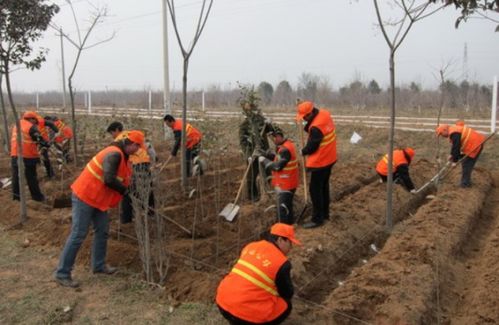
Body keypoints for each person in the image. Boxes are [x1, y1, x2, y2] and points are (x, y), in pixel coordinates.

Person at [54, 130, 144, 288]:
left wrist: (133, 189)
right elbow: (109, 179)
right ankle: (62, 273)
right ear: (131, 144)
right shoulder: (114, 154)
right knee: (78, 234)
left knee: (102, 231)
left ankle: (98, 265)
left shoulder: (123, 155)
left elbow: (122, 178)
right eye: (138, 147)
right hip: (85, 197)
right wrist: (125, 192)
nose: (138, 150)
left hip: (98, 200)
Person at [216, 223, 301, 325]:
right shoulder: (281, 262)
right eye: (290, 243)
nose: (291, 247)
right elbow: (287, 293)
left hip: (222, 302)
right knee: (286, 305)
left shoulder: (251, 246)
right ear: (280, 240)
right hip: (246, 315)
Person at [296, 101, 337, 229]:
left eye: (304, 117)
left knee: (315, 189)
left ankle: (317, 219)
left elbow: (312, 146)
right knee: (323, 187)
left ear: (310, 114)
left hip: (321, 161)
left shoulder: (316, 128)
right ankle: (325, 214)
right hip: (331, 157)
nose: (303, 119)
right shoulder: (324, 114)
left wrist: (302, 151)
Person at [114, 129, 157, 224]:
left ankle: (126, 219)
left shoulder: (119, 140)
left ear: (116, 131)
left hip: (133, 164)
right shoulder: (136, 134)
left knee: (128, 191)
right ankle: (151, 213)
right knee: (147, 189)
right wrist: (153, 162)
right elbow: (149, 149)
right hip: (144, 164)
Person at [258, 126, 299, 224]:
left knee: (282, 209)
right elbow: (279, 159)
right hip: (288, 182)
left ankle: (282, 234)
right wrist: (267, 155)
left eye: (273, 138)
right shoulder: (286, 145)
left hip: (286, 184)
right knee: (287, 207)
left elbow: (277, 167)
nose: (273, 141)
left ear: (279, 136)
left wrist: (263, 160)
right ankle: (289, 227)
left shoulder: (285, 149)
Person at [238, 86, 272, 201]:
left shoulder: (260, 120)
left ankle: (268, 193)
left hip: (264, 151)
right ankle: (253, 197)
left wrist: (269, 124)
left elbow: (270, 131)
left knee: (268, 173)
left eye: (252, 108)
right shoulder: (244, 125)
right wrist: (247, 155)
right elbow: (243, 142)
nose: (250, 111)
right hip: (252, 153)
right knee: (251, 176)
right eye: (248, 110)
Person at [10, 111, 50, 202]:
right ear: (31, 119)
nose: (35, 123)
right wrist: (46, 144)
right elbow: (40, 139)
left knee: (16, 177)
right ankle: (37, 197)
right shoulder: (31, 127)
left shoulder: (17, 125)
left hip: (15, 154)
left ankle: (16, 198)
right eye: (35, 121)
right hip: (27, 156)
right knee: (31, 177)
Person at [436, 123, 485, 188]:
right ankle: (466, 182)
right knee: (465, 161)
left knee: (466, 164)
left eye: (441, 134)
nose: (442, 136)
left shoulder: (454, 133)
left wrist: (454, 161)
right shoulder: (453, 131)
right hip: (474, 143)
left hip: (475, 144)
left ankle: (465, 184)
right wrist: (452, 155)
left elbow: (456, 146)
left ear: (445, 130)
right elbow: (455, 146)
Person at [37, 114, 59, 178]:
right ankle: (50, 174)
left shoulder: (41, 123)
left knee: (45, 158)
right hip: (38, 143)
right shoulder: (40, 122)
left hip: (43, 143)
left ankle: (50, 174)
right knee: (42, 158)